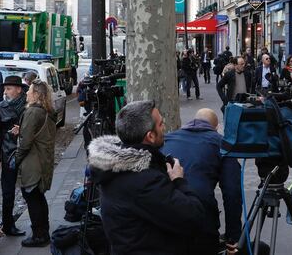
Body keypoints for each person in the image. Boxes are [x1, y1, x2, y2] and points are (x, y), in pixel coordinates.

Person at [88, 100, 209, 254]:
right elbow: (193, 217)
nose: (164, 127)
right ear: (150, 136)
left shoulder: (115, 166)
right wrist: (179, 180)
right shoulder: (144, 180)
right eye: (160, 124)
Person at [162, 109, 242, 254]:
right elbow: (232, 193)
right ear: (216, 127)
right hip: (201, 219)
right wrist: (233, 236)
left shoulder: (167, 139)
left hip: (165, 219)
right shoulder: (222, 144)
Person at [16, 80, 57, 247]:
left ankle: (39, 235)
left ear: (37, 95)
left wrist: (16, 159)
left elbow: (25, 142)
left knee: (32, 198)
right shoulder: (47, 110)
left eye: (30, 91)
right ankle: (43, 232)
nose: (26, 93)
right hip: (42, 160)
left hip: (34, 163)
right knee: (38, 198)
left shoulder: (33, 112)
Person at [0, 75, 27, 237]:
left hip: (26, 153)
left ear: (19, 89)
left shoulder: (28, 105)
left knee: (30, 190)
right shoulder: (0, 107)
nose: (5, 92)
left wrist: (22, 129)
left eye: (9, 89)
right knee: (8, 193)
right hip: (8, 154)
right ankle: (7, 224)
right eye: (5, 89)